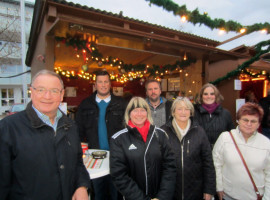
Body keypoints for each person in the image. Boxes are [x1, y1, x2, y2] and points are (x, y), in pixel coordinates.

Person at [0, 70, 91, 200]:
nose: (47, 96)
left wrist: (81, 186)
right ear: (32, 92)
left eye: (54, 91)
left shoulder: (70, 126)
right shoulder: (8, 128)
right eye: (41, 90)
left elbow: (77, 163)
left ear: (61, 95)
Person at [110, 97, 176, 200]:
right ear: (129, 114)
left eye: (142, 110)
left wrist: (162, 196)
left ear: (147, 112)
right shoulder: (118, 139)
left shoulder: (160, 135)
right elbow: (119, 175)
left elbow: (170, 167)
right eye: (135, 110)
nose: (139, 114)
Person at [76, 70, 126, 200]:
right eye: (100, 82)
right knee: (98, 195)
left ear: (110, 84)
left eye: (106, 81)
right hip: (94, 161)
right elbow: (78, 132)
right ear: (95, 85)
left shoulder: (122, 104)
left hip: (117, 159)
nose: (103, 85)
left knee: (116, 195)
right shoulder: (85, 104)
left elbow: (128, 131)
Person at [161, 97, 216, 200]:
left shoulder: (199, 132)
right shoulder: (163, 132)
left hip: (195, 190)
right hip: (170, 190)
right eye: (179, 109)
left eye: (187, 109)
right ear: (173, 112)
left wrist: (209, 190)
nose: (183, 112)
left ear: (191, 112)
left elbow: (208, 162)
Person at [213, 102, 270, 200]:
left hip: (255, 197)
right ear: (238, 120)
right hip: (228, 196)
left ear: (259, 124)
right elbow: (216, 164)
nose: (249, 124)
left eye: (253, 121)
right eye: (245, 120)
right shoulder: (225, 138)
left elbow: (269, 174)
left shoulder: (266, 144)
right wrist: (219, 187)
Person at [194, 83, 234, 147]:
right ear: (201, 96)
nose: (209, 96)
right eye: (205, 94)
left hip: (220, 152)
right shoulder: (194, 113)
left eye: (212, 94)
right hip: (200, 153)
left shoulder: (225, 114)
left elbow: (231, 134)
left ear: (216, 96)